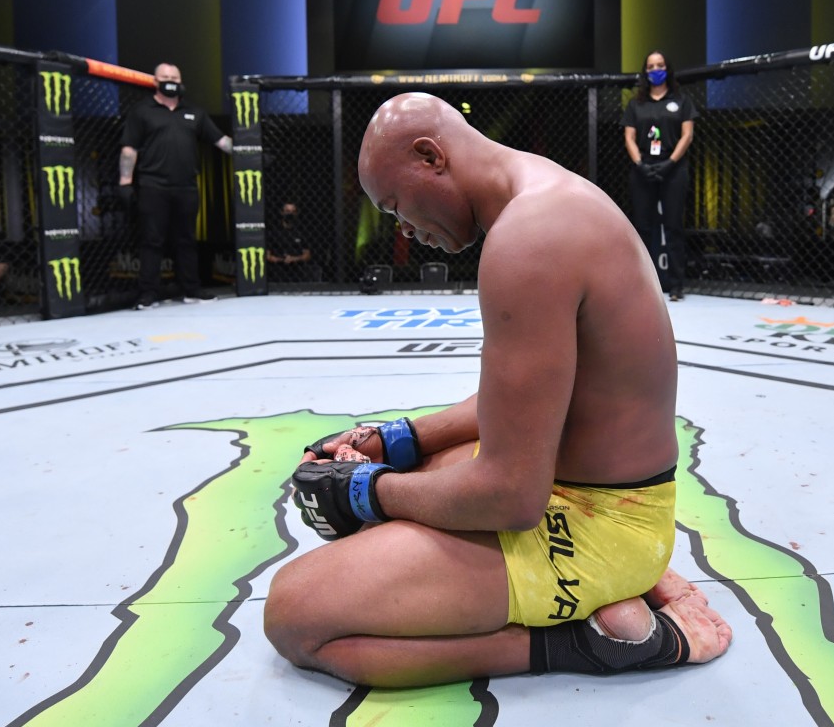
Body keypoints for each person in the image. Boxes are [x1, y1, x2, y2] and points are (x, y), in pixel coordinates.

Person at [263, 92, 731, 688]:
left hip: (598, 527)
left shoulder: (530, 238)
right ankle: (622, 584)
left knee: (295, 614)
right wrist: (396, 440)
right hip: (611, 500)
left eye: (395, 206)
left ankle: (594, 643)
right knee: (415, 478)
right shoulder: (544, 196)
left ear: (430, 156)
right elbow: (520, 410)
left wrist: (365, 491)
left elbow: (511, 496)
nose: (402, 228)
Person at [118, 62, 233, 309]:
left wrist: (250, 152)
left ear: (181, 81)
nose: (170, 81)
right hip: (152, 185)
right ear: (155, 81)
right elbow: (129, 148)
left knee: (186, 240)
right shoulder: (142, 111)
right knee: (152, 240)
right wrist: (125, 182)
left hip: (186, 186)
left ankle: (191, 289)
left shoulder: (194, 112)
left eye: (174, 78)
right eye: (165, 77)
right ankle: (148, 294)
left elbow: (221, 141)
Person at [621, 51, 698, 301]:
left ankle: (676, 285)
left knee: (674, 226)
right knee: (642, 227)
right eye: (651, 66)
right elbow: (629, 137)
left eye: (660, 65)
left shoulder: (681, 101)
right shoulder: (636, 104)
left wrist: (670, 162)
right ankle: (642, 285)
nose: (656, 70)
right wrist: (640, 163)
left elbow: (687, 135)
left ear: (668, 69)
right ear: (645, 71)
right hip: (643, 169)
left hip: (673, 169)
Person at [266, 201, 316, 282]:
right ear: (282, 212)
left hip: (298, 273)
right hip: (277, 273)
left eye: (293, 211)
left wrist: (294, 259)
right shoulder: (273, 232)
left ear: (296, 213)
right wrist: (282, 260)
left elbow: (307, 255)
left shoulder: (301, 231)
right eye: (287, 211)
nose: (290, 214)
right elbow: (267, 255)